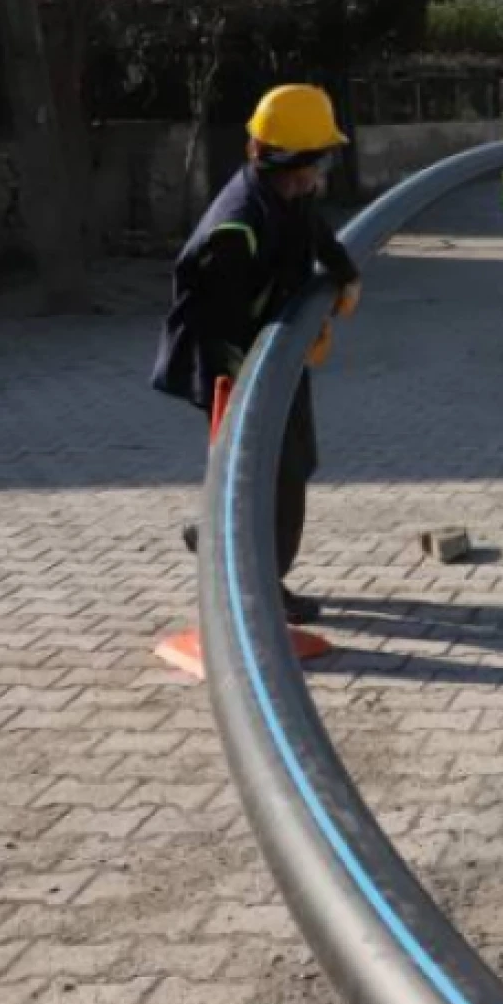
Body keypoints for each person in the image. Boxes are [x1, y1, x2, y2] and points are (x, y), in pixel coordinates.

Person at [151, 84, 361, 625]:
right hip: (232, 361)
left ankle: (216, 534)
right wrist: (250, 386)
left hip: (275, 351)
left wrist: (344, 272)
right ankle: (262, 581)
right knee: (270, 474)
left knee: (298, 460)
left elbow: (314, 232)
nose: (324, 172)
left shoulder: (289, 193)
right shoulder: (236, 226)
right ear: (291, 160)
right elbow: (220, 323)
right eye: (320, 160)